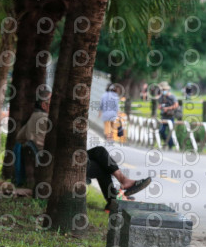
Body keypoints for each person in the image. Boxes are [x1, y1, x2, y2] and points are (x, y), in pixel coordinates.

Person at [16, 97, 151, 211]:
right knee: (99, 167)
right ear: (45, 105)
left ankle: (121, 185)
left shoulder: (34, 117)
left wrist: (34, 144)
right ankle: (115, 198)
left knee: (99, 151)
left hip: (53, 158)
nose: (58, 104)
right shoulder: (47, 119)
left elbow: (19, 137)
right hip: (58, 161)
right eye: (54, 101)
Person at [158, 81, 179, 149]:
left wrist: (168, 108)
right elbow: (159, 106)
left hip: (170, 117)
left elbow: (176, 105)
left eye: (164, 90)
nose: (163, 91)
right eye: (162, 90)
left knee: (171, 132)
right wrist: (161, 107)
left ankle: (171, 145)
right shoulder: (161, 97)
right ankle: (167, 143)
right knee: (161, 131)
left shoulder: (172, 96)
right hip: (163, 117)